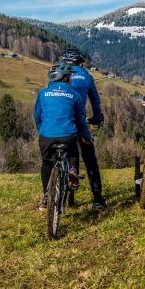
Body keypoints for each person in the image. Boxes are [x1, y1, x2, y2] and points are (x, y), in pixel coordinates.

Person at [34, 63, 91, 211]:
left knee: (47, 163)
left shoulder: (43, 93)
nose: (71, 79)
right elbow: (81, 118)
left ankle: (46, 198)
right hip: (68, 136)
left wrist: (42, 130)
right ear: (64, 78)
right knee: (73, 151)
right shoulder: (74, 94)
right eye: (69, 76)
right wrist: (86, 136)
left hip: (46, 136)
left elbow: (37, 116)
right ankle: (72, 171)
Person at [62, 49, 107, 209]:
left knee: (64, 156)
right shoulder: (87, 76)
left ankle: (59, 196)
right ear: (81, 63)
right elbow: (95, 100)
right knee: (90, 160)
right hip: (80, 122)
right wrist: (96, 118)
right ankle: (97, 199)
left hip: (60, 122)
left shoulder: (58, 74)